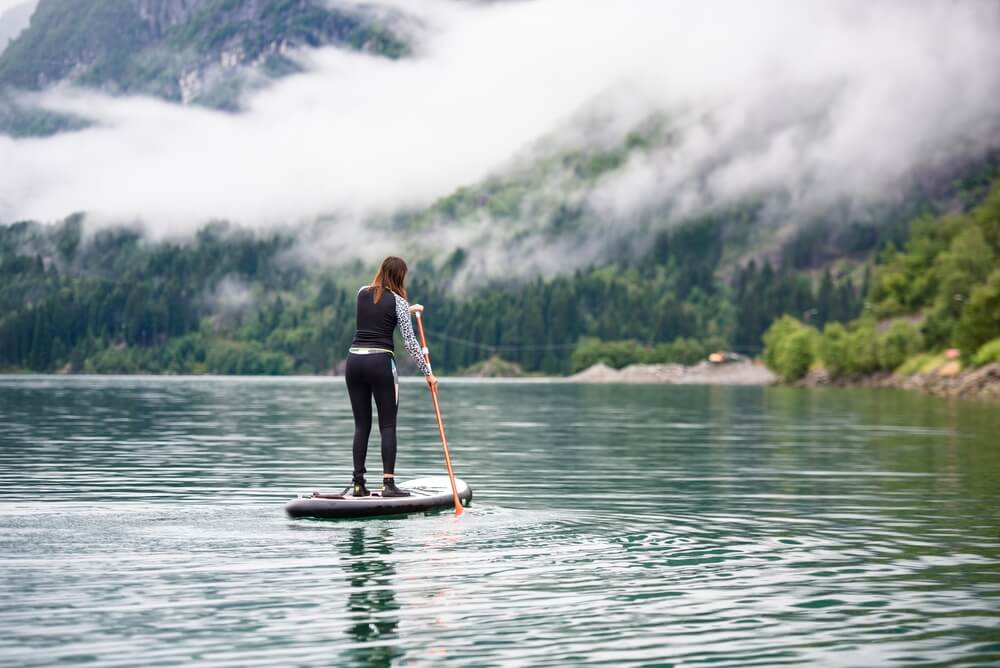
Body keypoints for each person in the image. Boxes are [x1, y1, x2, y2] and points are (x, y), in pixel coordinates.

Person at [345, 256, 438, 498]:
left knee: (361, 425)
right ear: (399, 277)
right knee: (387, 425)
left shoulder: (361, 293)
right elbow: (409, 341)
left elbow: (379, 311)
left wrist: (408, 310)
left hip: (354, 361)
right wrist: (428, 374)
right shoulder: (398, 301)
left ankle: (358, 483)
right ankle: (388, 485)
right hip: (380, 364)